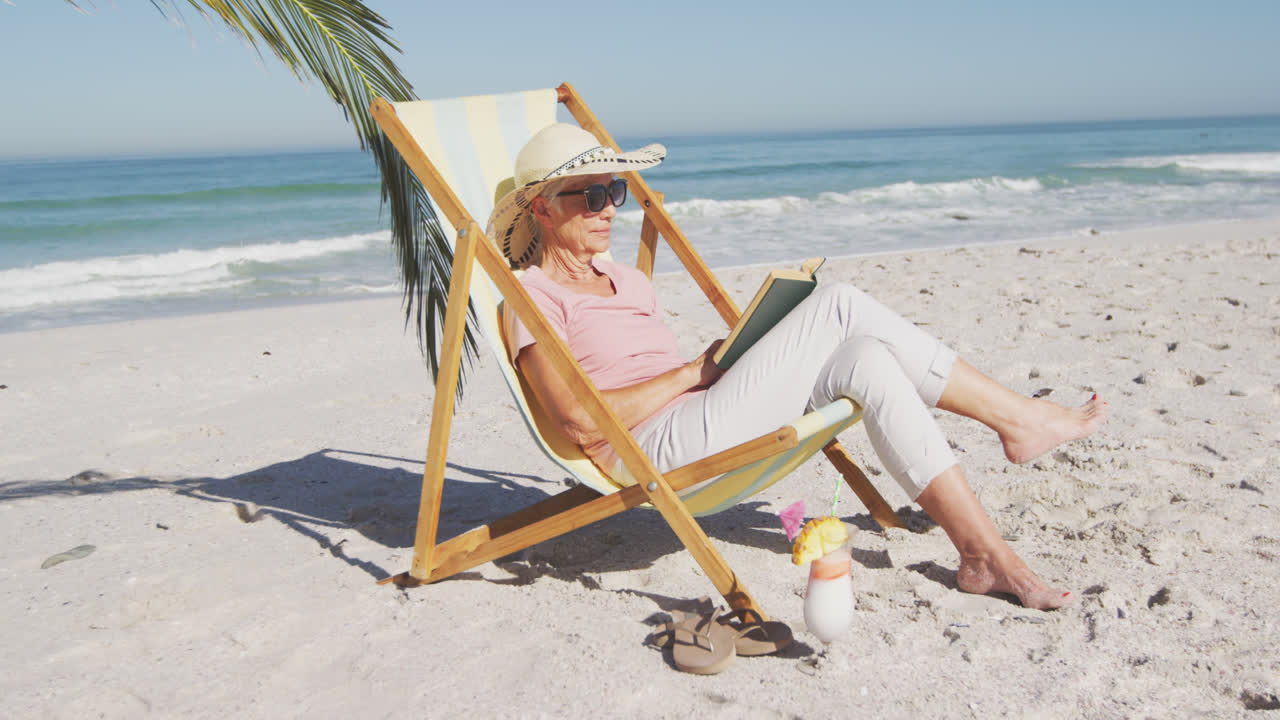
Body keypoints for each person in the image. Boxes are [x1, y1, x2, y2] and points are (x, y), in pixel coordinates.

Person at [488, 124, 1107, 610]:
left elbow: (666, 370)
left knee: (866, 358)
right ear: (542, 210)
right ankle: (1019, 419)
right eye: (592, 195)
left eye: (615, 192)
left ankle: (982, 554)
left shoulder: (626, 279)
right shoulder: (531, 297)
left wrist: (726, 363)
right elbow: (579, 422)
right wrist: (693, 374)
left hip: (698, 414)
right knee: (838, 303)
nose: (609, 209)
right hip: (645, 448)